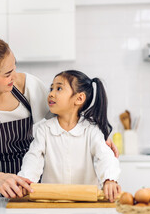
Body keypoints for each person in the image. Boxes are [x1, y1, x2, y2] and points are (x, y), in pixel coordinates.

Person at [0, 36, 119, 198]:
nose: (15, 75)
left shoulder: (29, 86)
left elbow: (64, 119)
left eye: (14, 66)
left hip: (30, 188)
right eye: (7, 74)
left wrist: (99, 139)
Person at [18, 70, 121, 202]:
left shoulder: (92, 130)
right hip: (51, 203)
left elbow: (105, 157)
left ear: (79, 98)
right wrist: (26, 180)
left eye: (59, 88)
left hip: (86, 204)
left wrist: (110, 179)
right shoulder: (44, 129)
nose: (51, 94)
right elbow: (33, 158)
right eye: (51, 88)